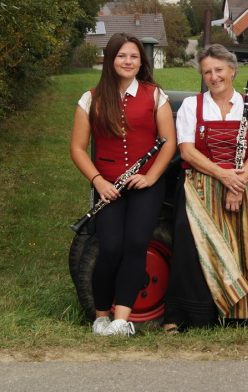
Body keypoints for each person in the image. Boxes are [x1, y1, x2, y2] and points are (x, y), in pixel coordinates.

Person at [165, 44, 248, 331]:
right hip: (202, 183)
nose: (214, 76)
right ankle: (192, 315)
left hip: (243, 182)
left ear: (232, 70)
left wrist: (237, 183)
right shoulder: (192, 105)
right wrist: (224, 176)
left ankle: (243, 313)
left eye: (219, 70)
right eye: (207, 72)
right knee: (191, 243)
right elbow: (187, 150)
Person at [70, 33, 177, 336]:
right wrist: (99, 182)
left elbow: (168, 142)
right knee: (110, 247)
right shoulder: (90, 99)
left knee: (136, 245)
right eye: (121, 56)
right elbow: (77, 148)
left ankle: (121, 320)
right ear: (110, 59)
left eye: (134, 56)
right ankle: (101, 317)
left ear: (141, 62)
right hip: (109, 187)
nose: (128, 62)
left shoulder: (155, 95)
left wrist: (151, 176)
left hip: (145, 185)